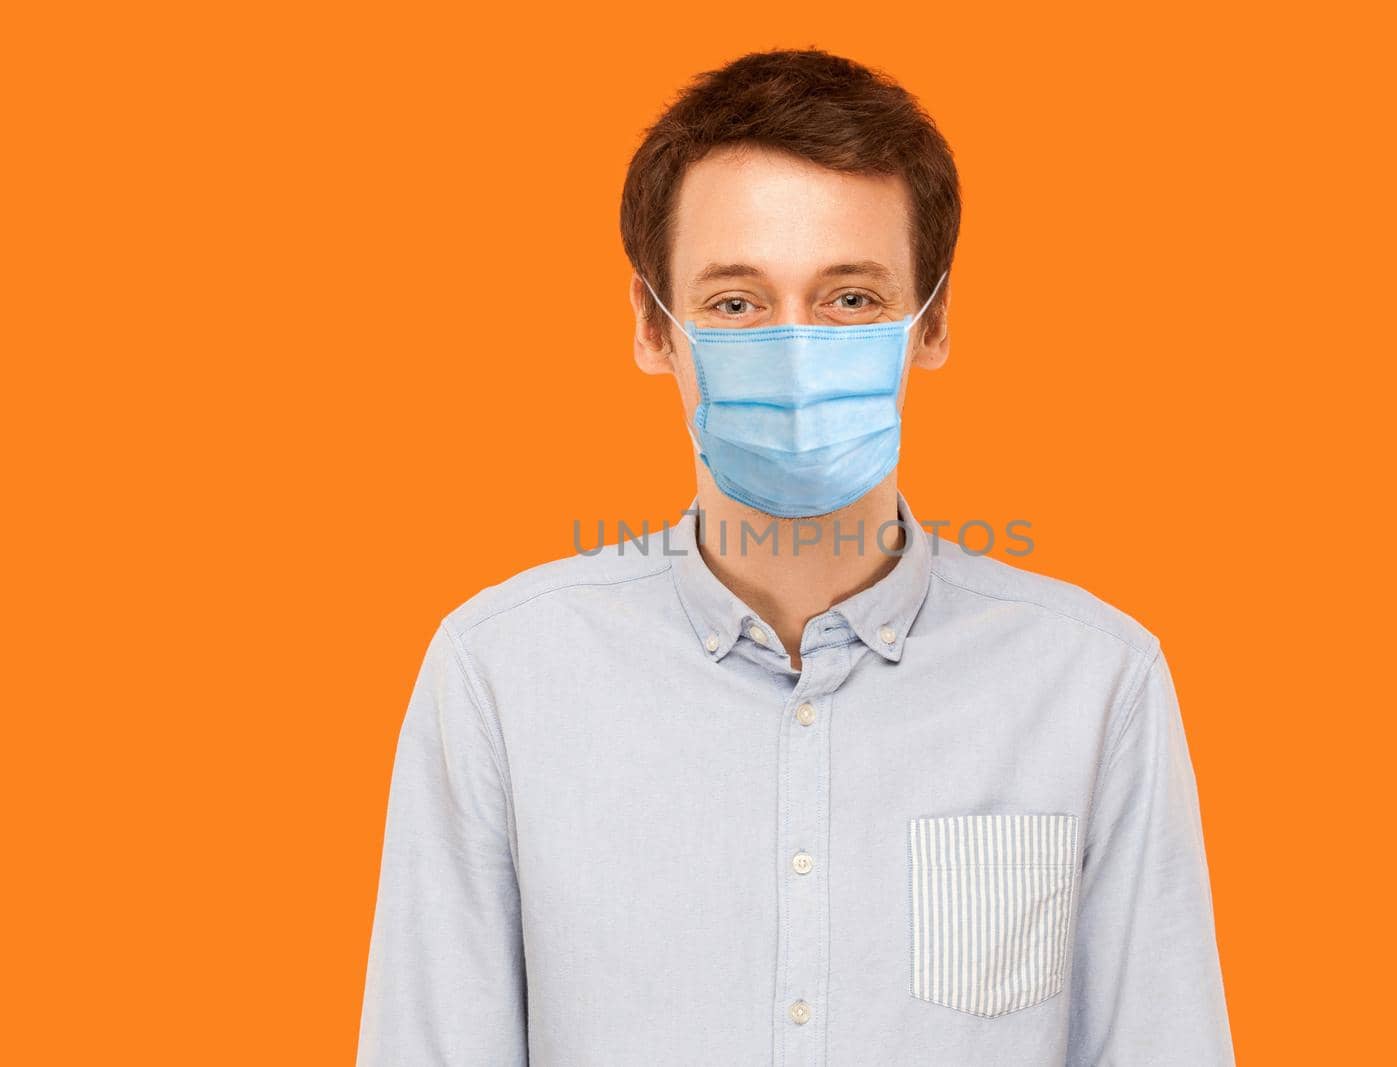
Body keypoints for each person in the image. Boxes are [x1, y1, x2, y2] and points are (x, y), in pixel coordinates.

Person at [356, 48, 1234, 1066]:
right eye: (736, 301)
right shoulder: (499, 674)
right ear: (654, 324)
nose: (796, 347)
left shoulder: (1092, 684)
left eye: (850, 298)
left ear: (932, 320)